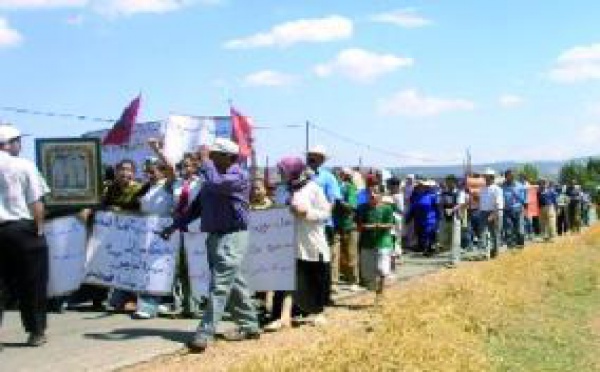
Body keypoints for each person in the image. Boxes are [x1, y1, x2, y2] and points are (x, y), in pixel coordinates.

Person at [161, 138, 260, 353]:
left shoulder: (237, 176)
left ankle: (203, 335)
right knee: (234, 283)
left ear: (228, 157)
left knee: (220, 284)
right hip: (214, 236)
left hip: (232, 236)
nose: (209, 157)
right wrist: (174, 226)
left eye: (214, 154)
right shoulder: (211, 178)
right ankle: (250, 326)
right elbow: (196, 208)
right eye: (210, 154)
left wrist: (205, 161)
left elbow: (216, 184)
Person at [265, 157, 331, 331]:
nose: (280, 174)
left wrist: (306, 213)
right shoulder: (282, 190)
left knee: (310, 275)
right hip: (286, 240)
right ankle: (284, 316)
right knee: (287, 277)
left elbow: (325, 212)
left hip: (309, 239)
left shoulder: (313, 188)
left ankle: (317, 312)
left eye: (283, 171)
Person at [0, 124, 51, 348]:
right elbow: (36, 202)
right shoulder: (23, 165)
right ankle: (36, 331)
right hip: (20, 230)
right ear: (10, 143)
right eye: (18, 141)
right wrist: (39, 230)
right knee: (33, 282)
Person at [306, 145, 341, 297]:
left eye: (316, 156)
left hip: (323, 223)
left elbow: (332, 201)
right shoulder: (301, 174)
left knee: (324, 256)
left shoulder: (328, 177)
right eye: (310, 155)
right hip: (304, 223)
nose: (312, 158)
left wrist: (324, 216)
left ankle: (326, 287)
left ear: (322, 160)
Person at [356, 185, 395, 301]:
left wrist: (378, 226)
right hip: (367, 243)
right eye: (370, 193)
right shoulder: (362, 208)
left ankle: (380, 293)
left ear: (381, 195)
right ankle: (375, 287)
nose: (372, 195)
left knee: (382, 269)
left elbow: (390, 224)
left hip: (383, 242)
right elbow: (358, 225)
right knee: (367, 272)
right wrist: (364, 227)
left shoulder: (387, 208)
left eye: (376, 192)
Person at [334, 168, 360, 291]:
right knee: (335, 255)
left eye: (341, 173)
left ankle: (353, 280)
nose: (339, 175)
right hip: (335, 224)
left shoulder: (350, 187)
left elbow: (352, 206)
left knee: (351, 254)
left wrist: (339, 201)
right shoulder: (336, 186)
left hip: (349, 225)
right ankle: (335, 282)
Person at [405, 179, 441, 257]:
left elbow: (437, 209)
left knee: (429, 235)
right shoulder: (416, 197)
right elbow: (413, 208)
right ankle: (422, 248)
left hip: (430, 220)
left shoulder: (433, 196)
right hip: (418, 220)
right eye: (418, 186)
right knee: (420, 235)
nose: (420, 188)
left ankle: (429, 250)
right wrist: (408, 217)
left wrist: (438, 220)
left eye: (422, 186)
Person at [440, 175, 467, 267]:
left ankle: (455, 260)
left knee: (455, 239)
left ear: (455, 182)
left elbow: (460, 204)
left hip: (455, 217)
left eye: (450, 182)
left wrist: (451, 210)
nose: (448, 183)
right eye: (447, 181)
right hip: (445, 217)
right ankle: (452, 256)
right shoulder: (444, 193)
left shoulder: (460, 192)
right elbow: (442, 203)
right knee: (444, 239)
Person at [479, 169, 504, 259]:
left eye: (487, 177)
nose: (485, 178)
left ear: (492, 178)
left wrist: (493, 214)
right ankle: (486, 251)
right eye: (485, 177)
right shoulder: (482, 189)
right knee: (483, 233)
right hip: (483, 212)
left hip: (494, 212)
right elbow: (481, 202)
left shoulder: (497, 189)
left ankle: (495, 251)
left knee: (495, 233)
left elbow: (498, 203)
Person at [502, 169, 527, 248]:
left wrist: (516, 194)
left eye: (512, 176)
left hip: (518, 209)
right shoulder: (502, 187)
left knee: (519, 227)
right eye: (509, 176)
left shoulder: (520, 186)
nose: (511, 177)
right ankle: (510, 244)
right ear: (506, 177)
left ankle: (520, 243)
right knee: (509, 227)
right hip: (507, 210)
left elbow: (524, 199)